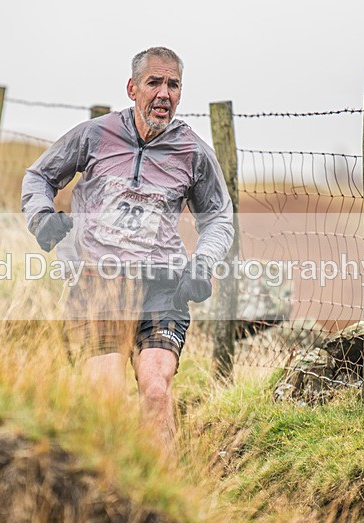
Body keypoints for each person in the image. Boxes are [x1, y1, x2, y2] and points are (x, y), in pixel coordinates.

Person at [21, 46, 234, 458]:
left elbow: (219, 218)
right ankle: (107, 492)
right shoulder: (94, 135)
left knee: (156, 389)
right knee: (106, 393)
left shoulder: (193, 152)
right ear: (132, 88)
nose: (164, 94)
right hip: (96, 286)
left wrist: (202, 263)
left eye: (173, 85)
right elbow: (38, 178)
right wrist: (42, 218)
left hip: (162, 289)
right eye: (154, 83)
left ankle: (162, 494)